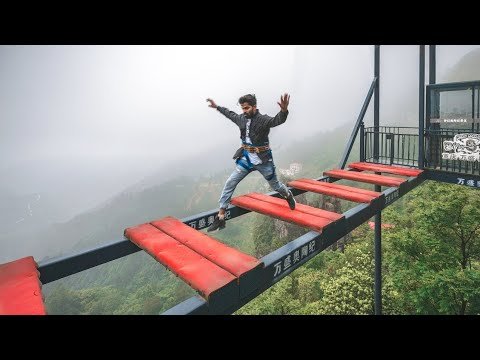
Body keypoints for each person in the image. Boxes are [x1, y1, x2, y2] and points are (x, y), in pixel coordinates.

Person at [205, 93, 296, 232]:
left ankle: (288, 195)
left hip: (263, 160)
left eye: (247, 108)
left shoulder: (263, 120)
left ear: (254, 106)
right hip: (246, 159)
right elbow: (230, 114)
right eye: (243, 108)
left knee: (276, 185)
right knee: (230, 182)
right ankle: (221, 217)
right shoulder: (241, 118)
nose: (244, 111)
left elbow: (276, 120)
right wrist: (217, 107)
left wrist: (284, 111)